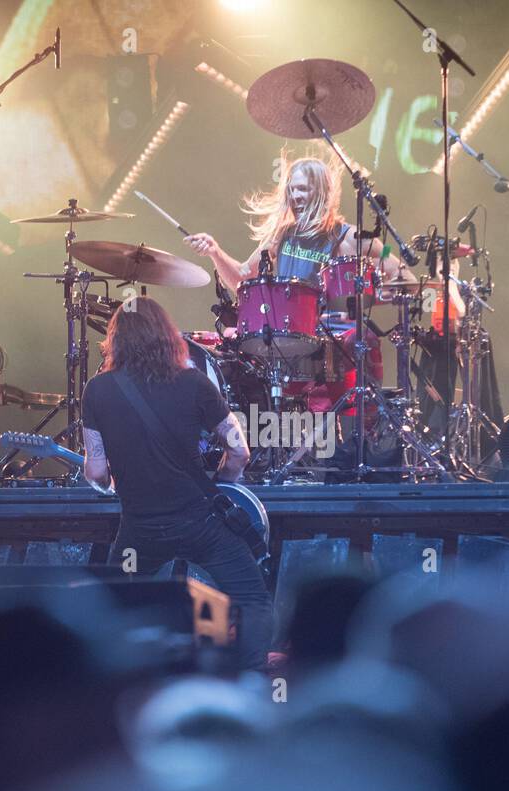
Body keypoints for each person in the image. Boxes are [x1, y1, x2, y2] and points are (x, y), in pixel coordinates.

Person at [80, 296, 273, 669]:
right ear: (166, 336)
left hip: (140, 528)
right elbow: (239, 451)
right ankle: (252, 680)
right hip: (200, 522)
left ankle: (120, 683)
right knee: (252, 600)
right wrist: (222, 486)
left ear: (115, 340)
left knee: (113, 605)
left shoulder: (97, 390)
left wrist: (114, 481)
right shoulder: (194, 382)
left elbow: (96, 472)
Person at [183, 154, 413, 417]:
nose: (295, 196)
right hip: (288, 340)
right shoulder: (281, 236)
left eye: (302, 189)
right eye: (291, 189)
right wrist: (215, 252)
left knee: (362, 344)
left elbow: (401, 273)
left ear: (322, 191)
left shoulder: (350, 237)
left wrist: (368, 295)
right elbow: (241, 279)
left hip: (336, 340)